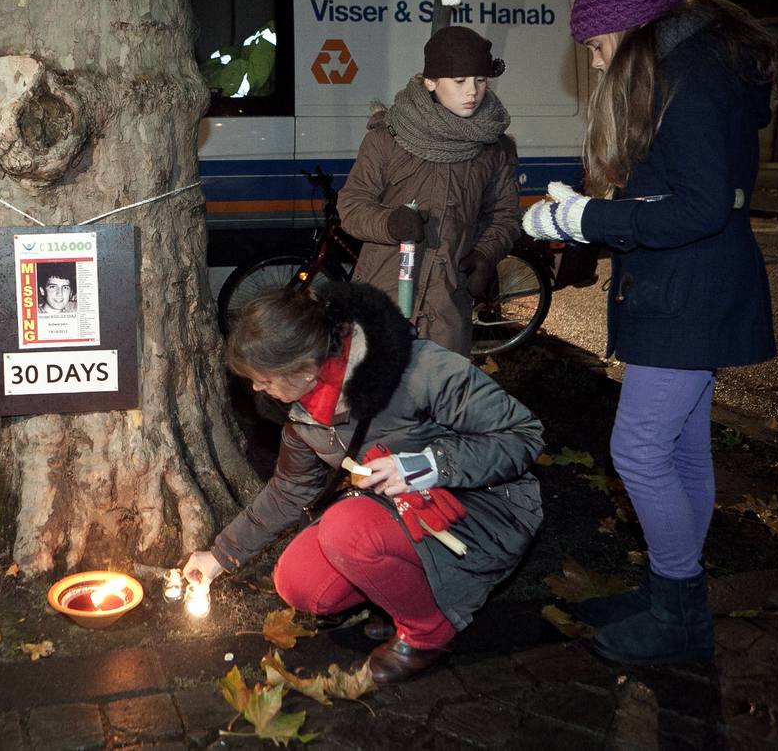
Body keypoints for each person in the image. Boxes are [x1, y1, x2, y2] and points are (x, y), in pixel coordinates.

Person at [523, 0, 778, 666]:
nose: (596, 63)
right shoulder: (694, 67)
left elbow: (701, 206)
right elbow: (681, 190)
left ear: (629, 33)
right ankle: (674, 594)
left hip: (689, 295)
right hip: (688, 291)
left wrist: (586, 218)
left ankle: (680, 613)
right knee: (682, 449)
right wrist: (592, 205)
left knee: (636, 449)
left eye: (597, 48)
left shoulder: (689, 77)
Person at [183, 282, 543, 684]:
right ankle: (405, 596)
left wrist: (428, 464)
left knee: (346, 532)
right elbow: (289, 490)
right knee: (300, 583)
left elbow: (522, 436)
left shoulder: (420, 370)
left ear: (304, 369)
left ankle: (427, 634)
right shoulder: (304, 411)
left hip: (484, 507)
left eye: (263, 380)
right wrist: (219, 557)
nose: (255, 389)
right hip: (399, 512)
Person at [338, 26, 520, 356]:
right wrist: (389, 224)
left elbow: (503, 216)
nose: (473, 92)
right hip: (381, 302)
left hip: (448, 310)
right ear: (431, 82)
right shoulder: (388, 136)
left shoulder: (493, 148)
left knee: (439, 402)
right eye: (460, 81)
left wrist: (484, 256)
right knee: (373, 402)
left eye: (480, 80)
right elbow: (351, 205)